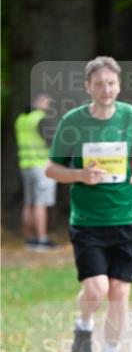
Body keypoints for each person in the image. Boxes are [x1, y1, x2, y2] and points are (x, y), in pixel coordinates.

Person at [45, 57, 132, 352]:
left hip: (127, 217)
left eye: (111, 83)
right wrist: (81, 174)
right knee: (96, 290)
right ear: (88, 87)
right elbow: (51, 169)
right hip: (88, 221)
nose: (106, 89)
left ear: (119, 85)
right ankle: (83, 325)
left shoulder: (131, 117)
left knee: (120, 293)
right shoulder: (73, 122)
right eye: (99, 84)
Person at [15, 92, 57, 250]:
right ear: (38, 102)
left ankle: (29, 239)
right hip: (41, 166)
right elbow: (50, 142)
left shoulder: (22, 119)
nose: (48, 106)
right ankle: (41, 239)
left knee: (29, 203)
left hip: (25, 165)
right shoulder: (41, 118)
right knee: (41, 203)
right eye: (47, 102)